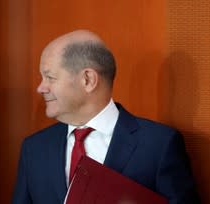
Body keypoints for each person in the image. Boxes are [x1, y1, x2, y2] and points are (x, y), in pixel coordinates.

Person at [12, 30, 199, 204]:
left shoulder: (159, 145)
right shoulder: (34, 149)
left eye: (50, 77)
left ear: (88, 80)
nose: (41, 88)